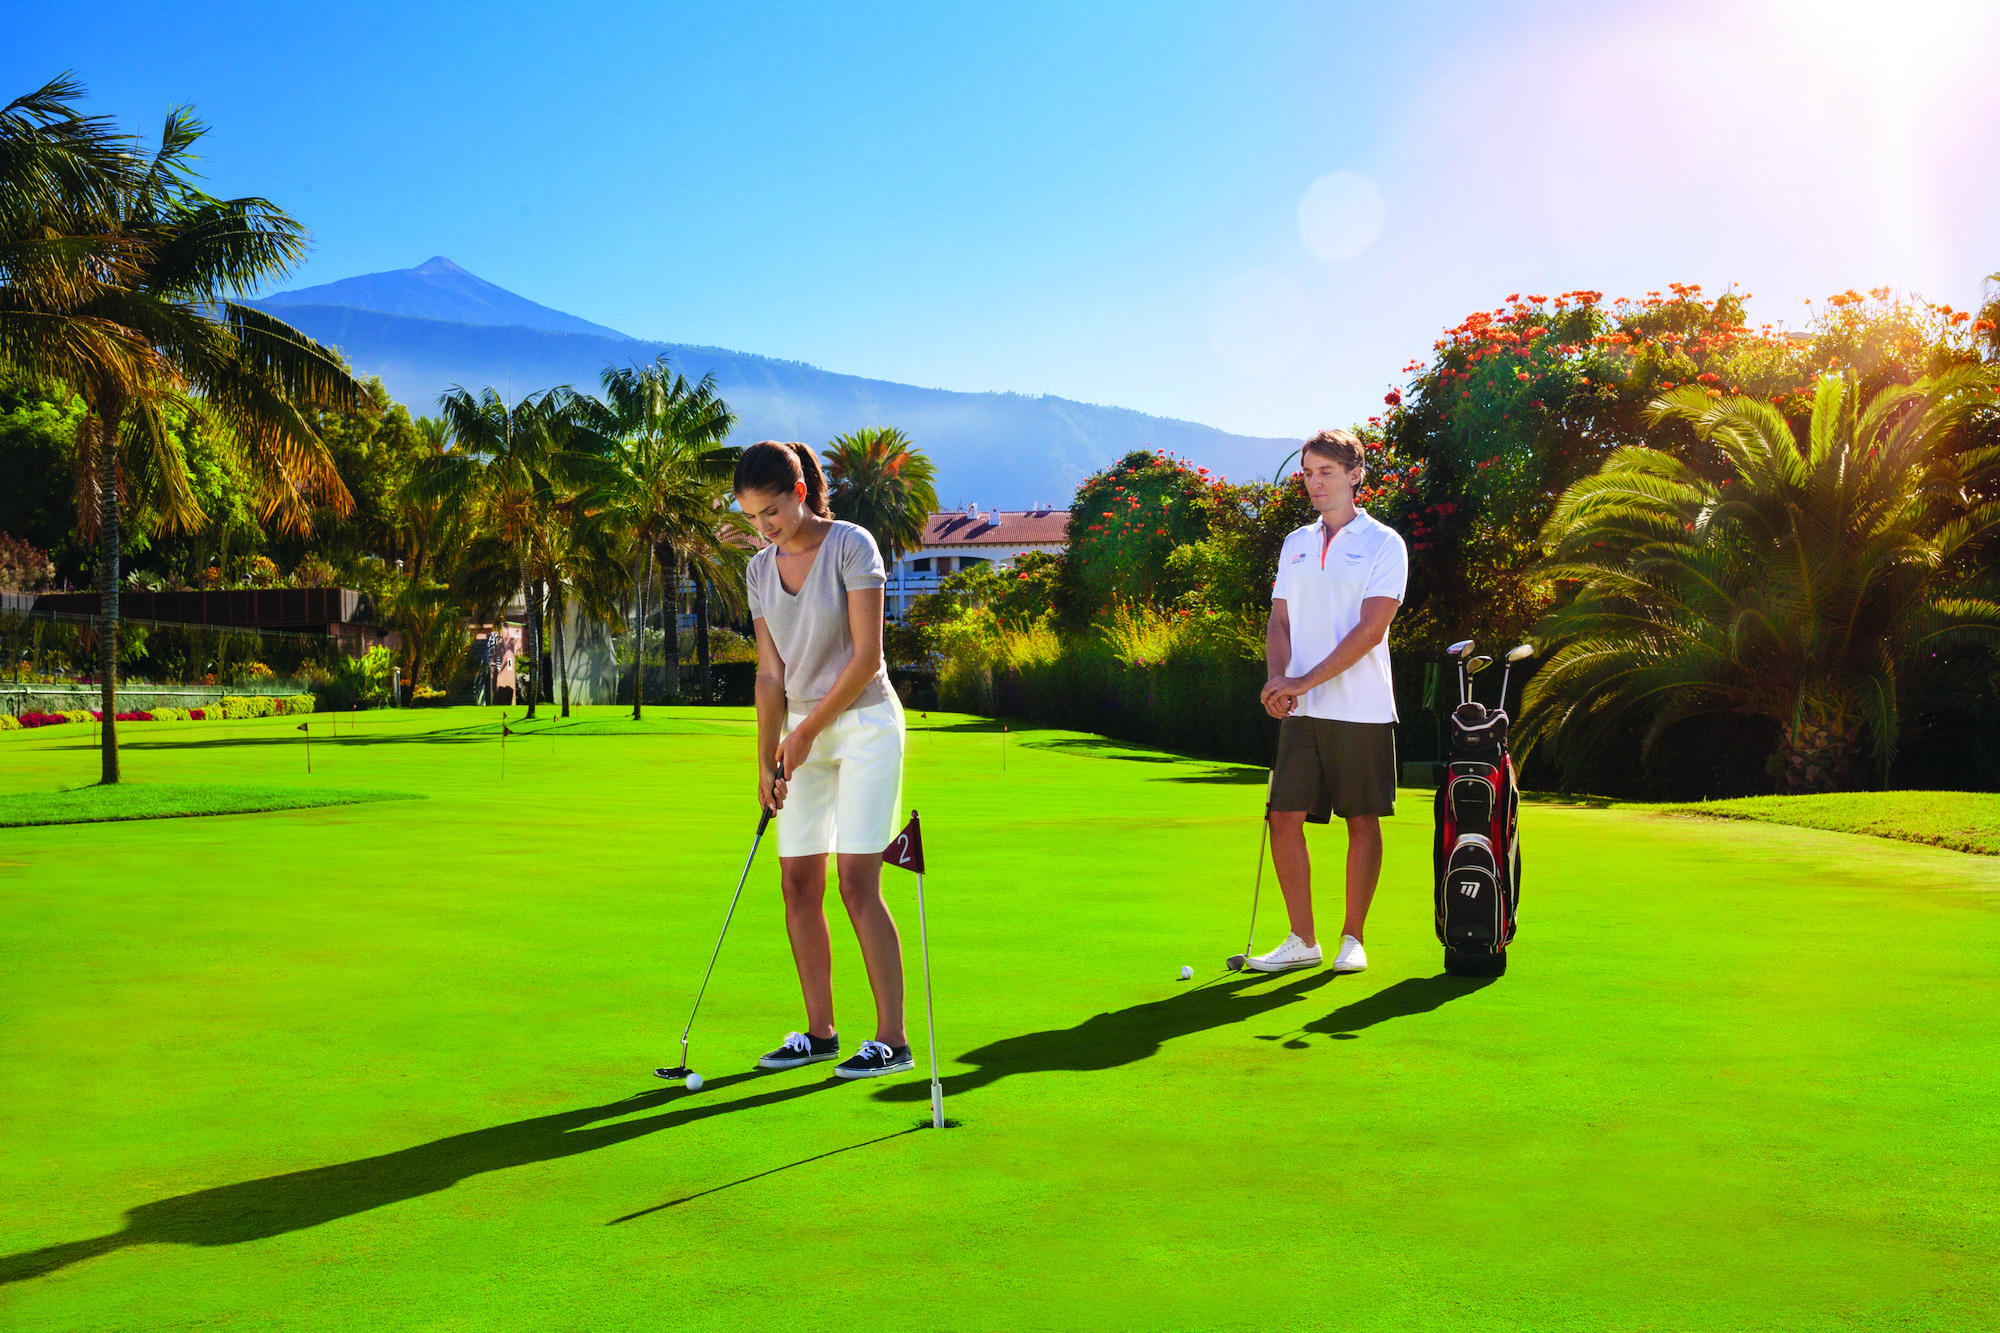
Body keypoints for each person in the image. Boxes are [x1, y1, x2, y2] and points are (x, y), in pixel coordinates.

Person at [736, 440, 914, 1078]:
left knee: (857, 884)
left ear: (800, 493)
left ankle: (892, 1041)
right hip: (801, 734)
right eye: (752, 516)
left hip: (865, 724)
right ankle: (820, 1034)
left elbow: (867, 656)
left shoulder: (852, 545)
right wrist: (766, 760)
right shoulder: (759, 571)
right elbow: (769, 673)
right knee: (797, 884)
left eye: (772, 511)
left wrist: (807, 731)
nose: (765, 526)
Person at [1248, 428, 1408, 974]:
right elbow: (1280, 620)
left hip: (1361, 708)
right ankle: (1302, 940)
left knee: (1361, 820)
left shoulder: (1385, 543)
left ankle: (1352, 938)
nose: (1315, 483)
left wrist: (1302, 681)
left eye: (1327, 472)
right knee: (1282, 818)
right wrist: (1278, 680)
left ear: (1355, 475)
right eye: (1308, 473)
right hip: (1302, 711)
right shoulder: (1294, 543)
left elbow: (1371, 629)